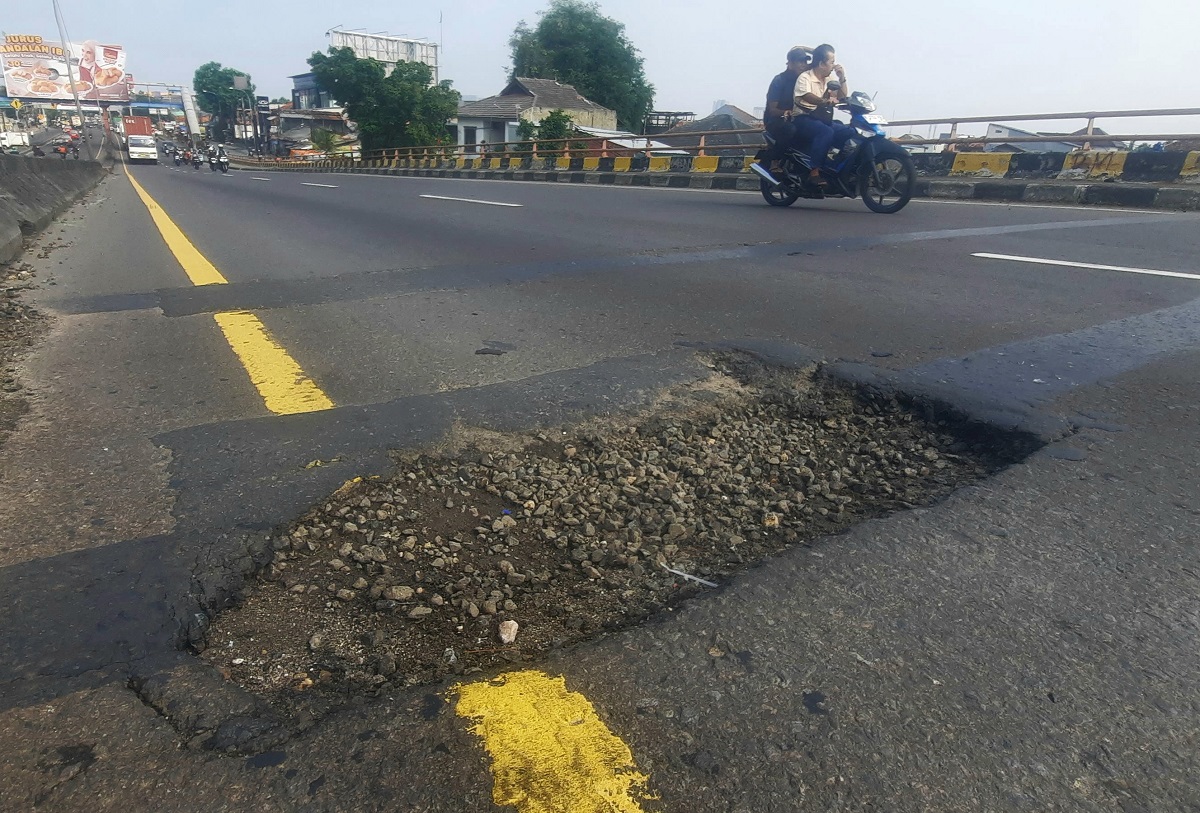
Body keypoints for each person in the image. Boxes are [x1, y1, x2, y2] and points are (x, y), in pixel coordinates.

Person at [792, 43, 857, 187]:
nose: (834, 66)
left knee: (851, 132)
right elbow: (807, 96)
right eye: (831, 62)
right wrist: (824, 101)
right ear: (821, 63)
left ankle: (836, 166)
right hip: (803, 118)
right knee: (825, 131)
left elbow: (842, 96)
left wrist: (842, 77)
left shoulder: (828, 80)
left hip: (821, 118)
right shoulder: (805, 77)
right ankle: (814, 172)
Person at [753, 45, 812, 178]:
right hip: (776, 121)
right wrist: (786, 112)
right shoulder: (779, 80)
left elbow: (821, 58)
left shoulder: (802, 79)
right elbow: (773, 110)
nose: (803, 65)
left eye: (805, 61)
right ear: (790, 63)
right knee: (789, 130)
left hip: (797, 119)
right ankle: (775, 161)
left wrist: (804, 48)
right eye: (799, 61)